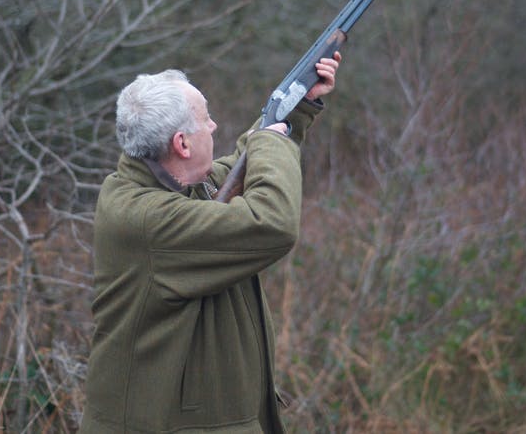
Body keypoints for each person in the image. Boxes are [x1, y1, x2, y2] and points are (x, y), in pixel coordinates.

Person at [81, 54, 341, 433]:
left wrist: (296, 107)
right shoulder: (149, 218)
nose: (214, 125)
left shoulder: (172, 187)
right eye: (205, 119)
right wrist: (272, 142)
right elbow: (271, 222)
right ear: (182, 144)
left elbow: (237, 168)